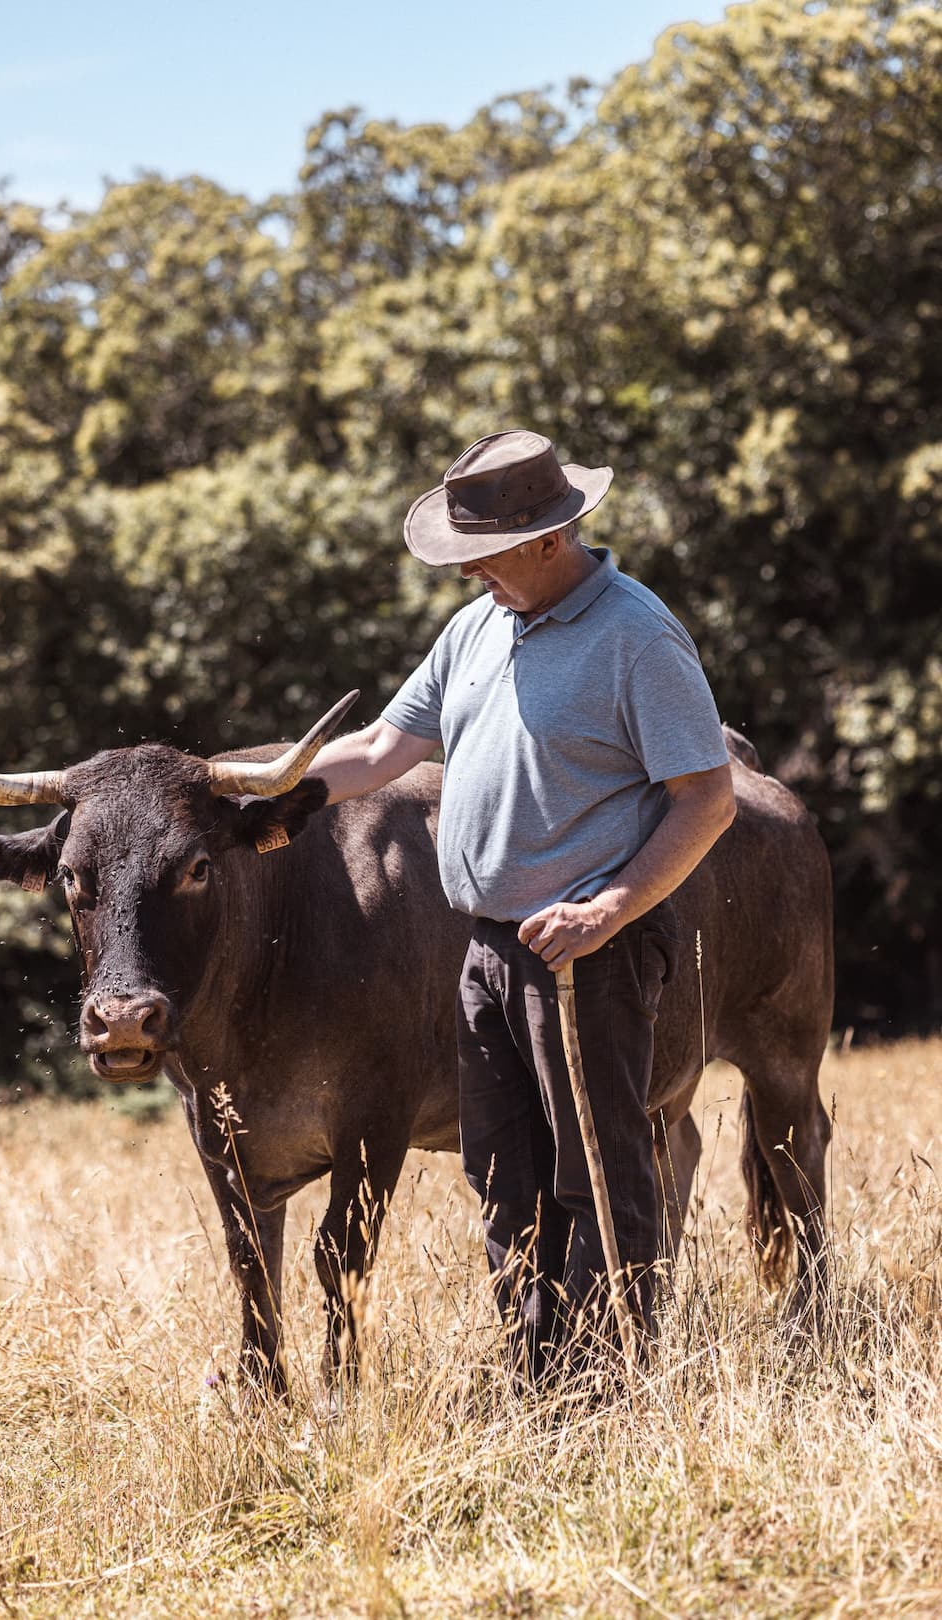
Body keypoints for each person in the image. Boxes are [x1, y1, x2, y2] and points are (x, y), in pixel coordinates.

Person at [313, 429, 735, 1382]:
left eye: (484, 555)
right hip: (490, 949)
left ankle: (604, 1393)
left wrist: (611, 910)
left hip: (588, 949)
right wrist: (248, 788)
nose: (471, 577)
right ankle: (536, 1381)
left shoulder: (637, 635)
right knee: (503, 1179)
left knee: (598, 1172)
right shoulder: (478, 626)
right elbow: (383, 750)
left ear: (550, 537)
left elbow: (706, 798)